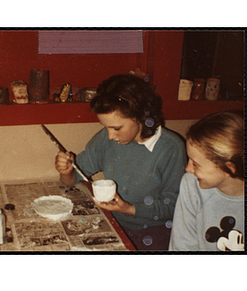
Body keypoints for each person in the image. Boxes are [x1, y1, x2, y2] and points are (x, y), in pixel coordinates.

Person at [55, 74, 187, 250]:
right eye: (105, 127)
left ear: (141, 115)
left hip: (154, 232)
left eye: (117, 128)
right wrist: (66, 171)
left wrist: (130, 209)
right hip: (113, 224)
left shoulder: (170, 148)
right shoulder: (106, 139)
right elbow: (75, 176)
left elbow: (173, 206)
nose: (110, 136)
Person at [169, 110, 244, 251]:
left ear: (229, 168)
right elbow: (182, 248)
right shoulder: (192, 183)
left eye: (195, 164)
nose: (188, 168)